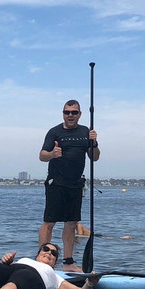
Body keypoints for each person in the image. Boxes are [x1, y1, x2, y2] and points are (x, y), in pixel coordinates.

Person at [38, 99, 100, 272]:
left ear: (79, 114)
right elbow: (42, 156)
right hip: (56, 183)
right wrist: (52, 154)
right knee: (49, 223)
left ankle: (68, 262)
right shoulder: (54, 132)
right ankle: (41, 261)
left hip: (75, 184)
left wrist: (94, 142)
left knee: (72, 223)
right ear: (63, 114)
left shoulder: (86, 132)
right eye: (67, 112)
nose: (70, 115)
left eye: (74, 112)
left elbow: (94, 157)